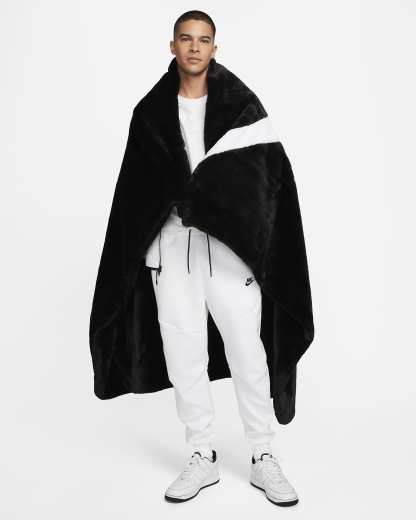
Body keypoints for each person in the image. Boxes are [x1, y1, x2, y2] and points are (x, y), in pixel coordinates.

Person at [144, 11, 299, 506]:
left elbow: (269, 177)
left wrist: (251, 236)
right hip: (173, 249)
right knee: (183, 353)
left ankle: (262, 454)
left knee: (248, 352)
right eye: (186, 39)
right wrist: (152, 244)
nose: (194, 47)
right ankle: (202, 454)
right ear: (172, 46)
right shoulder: (150, 113)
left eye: (204, 39)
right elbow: (135, 190)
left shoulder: (242, 107)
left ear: (215, 48)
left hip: (230, 250)